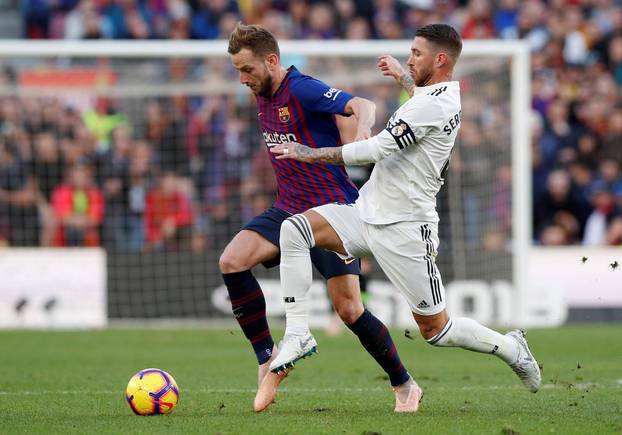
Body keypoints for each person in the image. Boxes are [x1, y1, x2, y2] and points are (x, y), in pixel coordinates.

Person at [258, 23, 542, 412]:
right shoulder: (436, 95)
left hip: (406, 228)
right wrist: (403, 75)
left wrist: (308, 152)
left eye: (417, 54)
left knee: (436, 330)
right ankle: (297, 334)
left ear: (440, 59)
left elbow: (374, 150)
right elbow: (421, 94)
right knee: (295, 229)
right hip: (367, 211)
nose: (410, 58)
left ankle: (512, 348)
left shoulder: (433, 105)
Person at [221, 22, 419, 413]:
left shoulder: (302, 88)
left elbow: (363, 104)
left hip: (332, 212)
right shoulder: (262, 91)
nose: (242, 79)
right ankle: (267, 356)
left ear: (272, 61)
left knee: (349, 310)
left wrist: (361, 131)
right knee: (231, 260)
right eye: (238, 71)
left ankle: (405, 384)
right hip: (289, 206)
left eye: (247, 69)